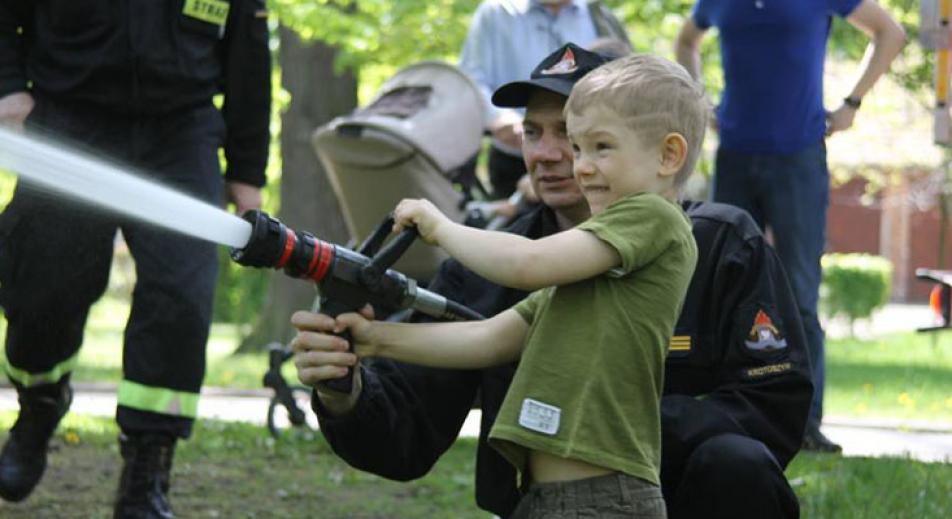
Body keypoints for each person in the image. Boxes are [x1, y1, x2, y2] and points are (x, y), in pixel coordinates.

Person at [294, 43, 812, 519]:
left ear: (663, 152)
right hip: (538, 500)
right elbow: (456, 372)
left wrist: (597, 428)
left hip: (651, 496)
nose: (553, 154)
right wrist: (353, 368)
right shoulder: (495, 263)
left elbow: (774, 405)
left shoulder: (709, 240)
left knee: (736, 464)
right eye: (532, 132)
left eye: (576, 135)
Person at [0, 1, 271, 517]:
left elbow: (249, 49)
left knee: (181, 297)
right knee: (44, 285)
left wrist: (248, 170)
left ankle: (147, 470)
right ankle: (39, 402)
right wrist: (6, 91)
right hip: (68, 118)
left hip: (182, 133)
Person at [675, 0, 905, 453]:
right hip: (735, 155)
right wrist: (699, 102)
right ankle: (728, 411)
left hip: (798, 155)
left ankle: (805, 424)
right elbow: (686, 41)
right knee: (720, 288)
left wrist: (851, 104)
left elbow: (890, 33)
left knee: (799, 294)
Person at [459, 0, 630, 201]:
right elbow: (471, 76)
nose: (547, 152)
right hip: (515, 154)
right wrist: (497, 116)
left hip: (587, 153)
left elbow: (625, 78)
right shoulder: (498, 11)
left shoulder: (597, 13)